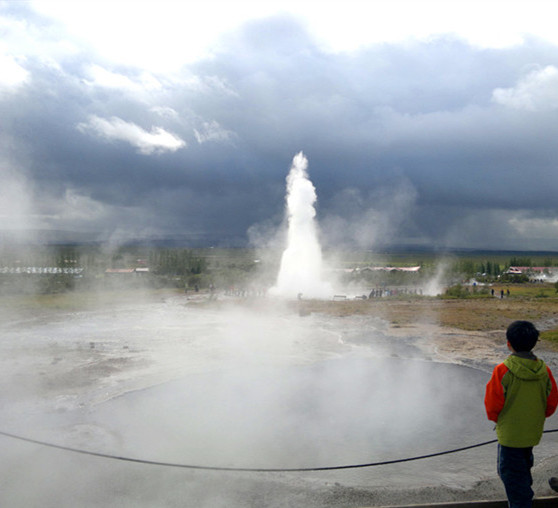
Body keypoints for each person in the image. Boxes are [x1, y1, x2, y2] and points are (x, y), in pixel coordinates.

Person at [485, 320, 558, 507]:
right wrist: (535, 418)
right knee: (523, 469)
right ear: (534, 342)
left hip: (510, 436)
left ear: (509, 343)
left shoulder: (502, 371)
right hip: (532, 433)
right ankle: (525, 493)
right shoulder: (544, 371)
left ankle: (523, 500)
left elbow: (492, 405)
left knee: (510, 476)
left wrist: (499, 421)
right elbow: (551, 403)